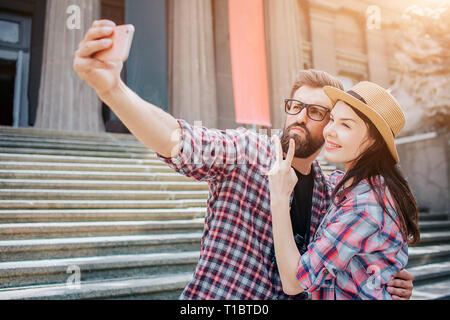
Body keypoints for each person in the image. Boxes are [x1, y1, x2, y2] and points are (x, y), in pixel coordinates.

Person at [73, 19, 414, 299]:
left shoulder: (337, 191)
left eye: (314, 112)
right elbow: (177, 139)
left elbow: (362, 246)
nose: (298, 117)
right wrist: (112, 90)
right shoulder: (246, 151)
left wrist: (385, 278)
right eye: (294, 107)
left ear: (331, 126)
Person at [268, 81, 420, 299]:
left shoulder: (365, 205)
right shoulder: (348, 186)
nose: (329, 131)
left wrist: (280, 199)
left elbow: (294, 282)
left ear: (374, 142)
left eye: (345, 125)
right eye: (332, 120)